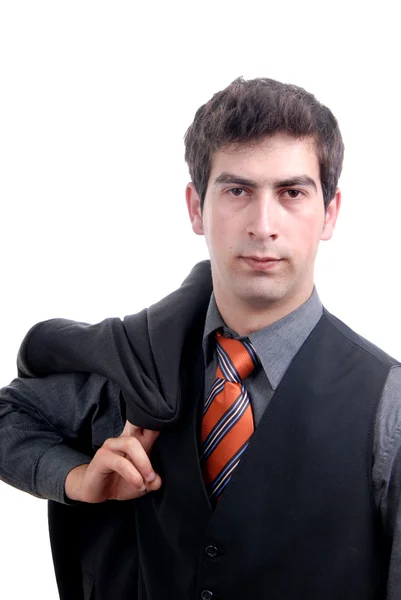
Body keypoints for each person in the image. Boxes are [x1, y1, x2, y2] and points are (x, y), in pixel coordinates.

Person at [1, 76, 400, 600]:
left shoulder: (388, 406)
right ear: (196, 207)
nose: (263, 224)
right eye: (237, 190)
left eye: (292, 192)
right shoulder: (137, 369)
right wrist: (75, 479)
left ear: (329, 212)